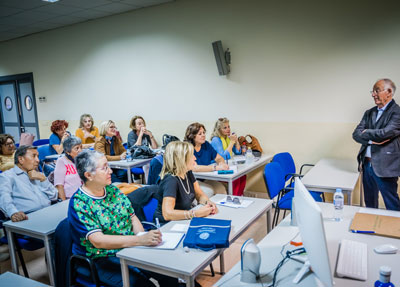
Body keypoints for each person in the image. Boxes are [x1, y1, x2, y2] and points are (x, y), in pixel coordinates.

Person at [68, 149, 179, 287]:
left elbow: (132, 217)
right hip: (102, 258)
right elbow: (99, 241)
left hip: (129, 247)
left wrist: (144, 238)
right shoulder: (80, 203)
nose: (111, 171)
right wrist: (139, 240)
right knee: (143, 285)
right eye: (105, 168)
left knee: (169, 273)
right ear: (88, 175)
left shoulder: (112, 190)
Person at [352, 78, 400, 211]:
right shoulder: (369, 112)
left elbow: (385, 133)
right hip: (367, 164)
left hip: (386, 165)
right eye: (372, 91)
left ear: (389, 92)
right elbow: (356, 134)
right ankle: (371, 227)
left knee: (391, 203)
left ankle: (395, 230)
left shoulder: (397, 112)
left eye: (376, 91)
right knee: (369, 201)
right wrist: (371, 139)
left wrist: (366, 132)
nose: (373, 94)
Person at [154, 141, 218, 224]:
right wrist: (195, 214)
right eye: (192, 155)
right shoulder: (170, 180)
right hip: (167, 226)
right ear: (181, 159)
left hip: (182, 221)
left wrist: (208, 203)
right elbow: (167, 214)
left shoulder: (187, 172)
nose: (195, 158)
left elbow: (199, 194)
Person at [0, 145, 58, 222]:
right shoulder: (7, 176)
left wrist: (43, 179)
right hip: (28, 218)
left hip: (49, 212)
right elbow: (4, 198)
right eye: (33, 156)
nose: (37, 160)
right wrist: (13, 213)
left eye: (38, 156)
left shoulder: (39, 174)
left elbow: (54, 197)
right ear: (21, 159)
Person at [184, 122, 228, 196]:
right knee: (209, 191)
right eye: (200, 134)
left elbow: (219, 158)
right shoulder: (187, 147)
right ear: (192, 136)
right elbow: (195, 168)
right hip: (191, 180)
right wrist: (216, 167)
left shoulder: (206, 145)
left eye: (204, 133)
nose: (203, 135)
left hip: (205, 178)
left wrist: (222, 164)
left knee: (221, 188)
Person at [210, 118, 246, 196]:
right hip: (216, 167)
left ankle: (239, 196)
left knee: (242, 176)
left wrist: (236, 141)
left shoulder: (227, 137)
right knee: (235, 178)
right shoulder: (216, 140)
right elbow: (223, 157)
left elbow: (237, 152)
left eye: (228, 126)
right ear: (219, 130)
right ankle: (234, 197)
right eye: (225, 128)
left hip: (227, 164)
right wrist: (232, 142)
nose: (228, 129)